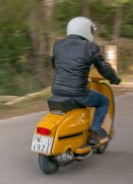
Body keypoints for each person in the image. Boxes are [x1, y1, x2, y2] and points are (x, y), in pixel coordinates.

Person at [51, 16, 121, 145]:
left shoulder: (58, 45)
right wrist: (115, 79)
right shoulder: (90, 47)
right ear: (86, 30)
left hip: (56, 91)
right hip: (78, 93)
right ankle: (94, 133)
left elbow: (55, 65)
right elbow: (104, 68)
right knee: (104, 101)